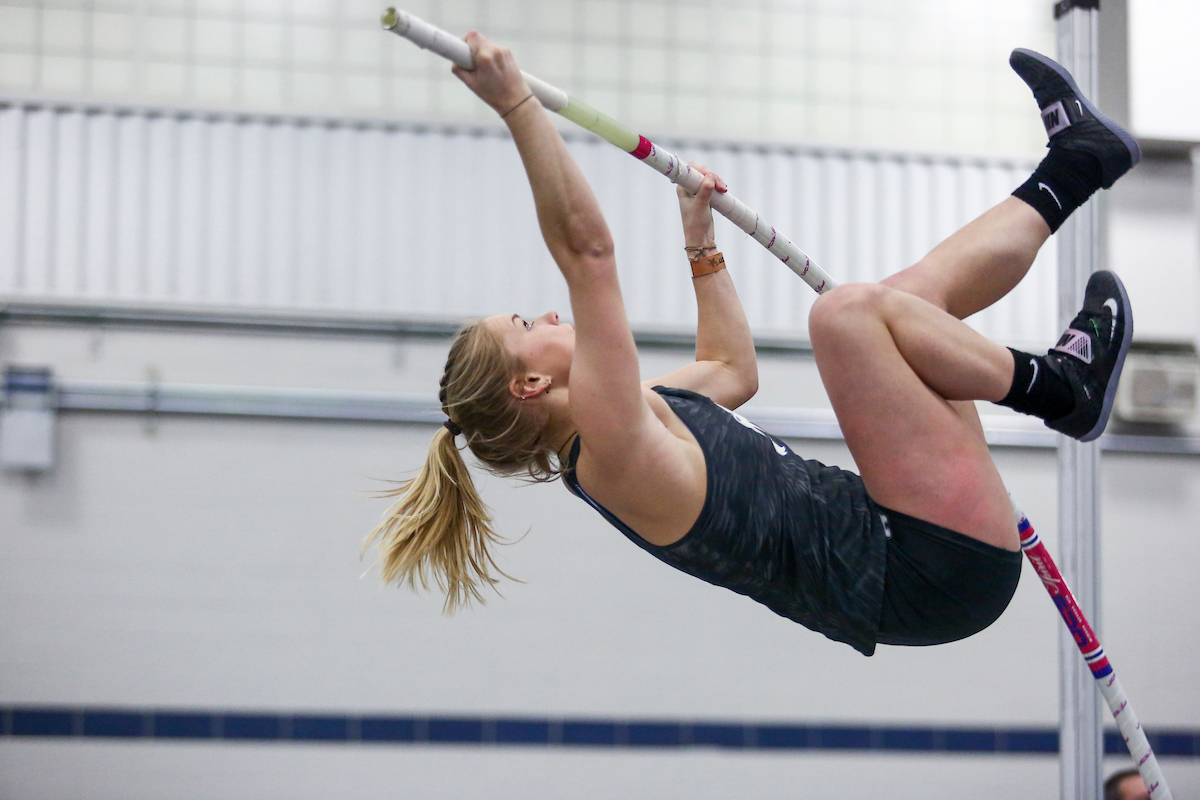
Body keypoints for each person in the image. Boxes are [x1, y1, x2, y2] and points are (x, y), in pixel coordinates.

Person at [366, 36, 1138, 657]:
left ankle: (1079, 163)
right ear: (528, 385)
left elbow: (734, 370)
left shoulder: (634, 422)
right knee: (844, 318)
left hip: (913, 540)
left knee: (898, 304)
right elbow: (588, 255)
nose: (542, 314)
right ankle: (1058, 388)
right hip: (922, 566)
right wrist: (519, 106)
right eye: (525, 328)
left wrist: (699, 241)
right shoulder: (611, 449)